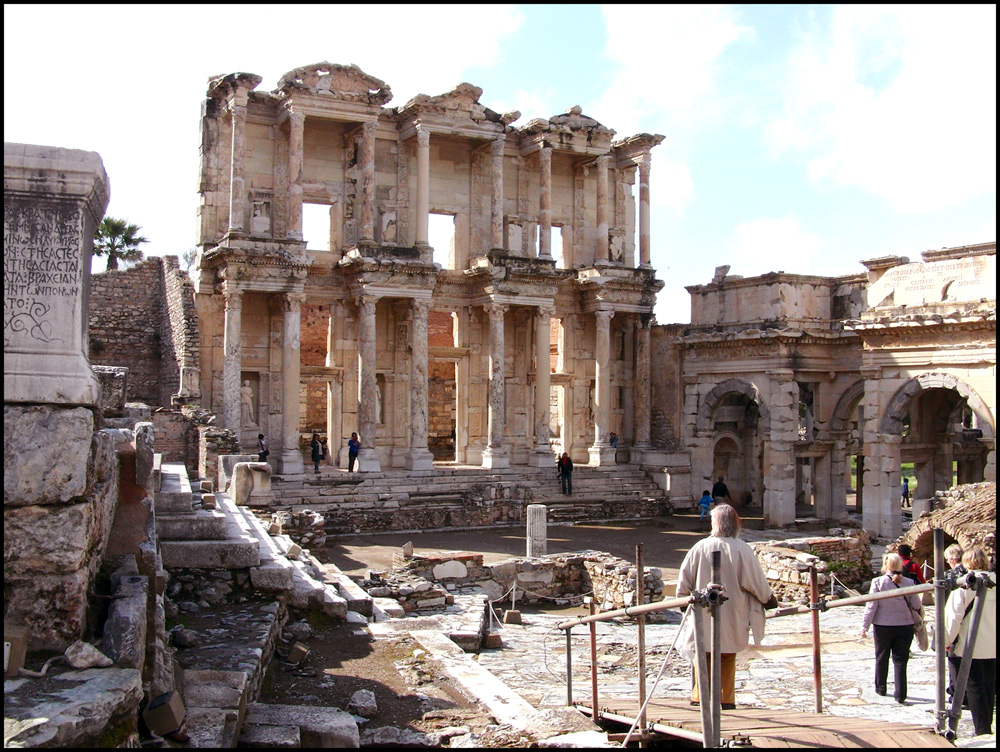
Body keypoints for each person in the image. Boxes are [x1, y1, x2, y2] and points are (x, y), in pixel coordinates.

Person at [676, 504, 775, 709]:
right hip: (732, 610)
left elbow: (684, 582)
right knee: (726, 655)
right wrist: (768, 600)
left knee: (703, 653)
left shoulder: (700, 547)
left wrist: (684, 601)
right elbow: (756, 581)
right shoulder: (741, 548)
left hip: (703, 609)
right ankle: (725, 699)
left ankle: (699, 696)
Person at [944, 546, 996, 737]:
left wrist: (946, 641)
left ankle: (982, 731)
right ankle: (986, 727)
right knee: (989, 687)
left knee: (974, 687)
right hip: (993, 644)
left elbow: (953, 618)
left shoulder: (964, 587)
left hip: (970, 645)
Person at [861, 552, 922, 704]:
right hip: (905, 625)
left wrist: (865, 626)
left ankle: (881, 688)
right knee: (901, 660)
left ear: (885, 565)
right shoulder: (909, 582)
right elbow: (916, 604)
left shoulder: (878, 582)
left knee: (882, 657)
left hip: (883, 625)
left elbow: (871, 606)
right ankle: (901, 694)